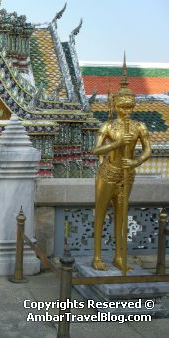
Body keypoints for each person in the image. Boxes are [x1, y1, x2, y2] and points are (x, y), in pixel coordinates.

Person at [91, 59, 151, 271]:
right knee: (100, 214)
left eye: (130, 106)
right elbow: (95, 150)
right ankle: (97, 255)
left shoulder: (138, 126)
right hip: (108, 173)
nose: (127, 111)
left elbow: (148, 150)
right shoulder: (108, 126)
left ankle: (119, 256)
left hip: (128, 173)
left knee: (122, 215)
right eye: (123, 106)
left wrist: (136, 161)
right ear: (115, 105)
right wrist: (116, 144)